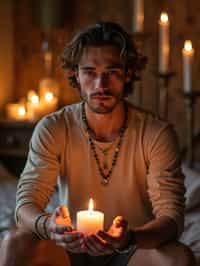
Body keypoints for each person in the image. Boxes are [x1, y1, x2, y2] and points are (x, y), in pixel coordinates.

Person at [0, 21, 195, 266]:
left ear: (128, 74)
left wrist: (129, 237)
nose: (100, 85)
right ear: (76, 75)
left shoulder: (156, 133)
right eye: (90, 72)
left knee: (179, 258)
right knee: (14, 243)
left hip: (132, 250)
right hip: (69, 250)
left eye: (111, 72)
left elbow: (171, 218)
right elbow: (25, 204)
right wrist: (49, 226)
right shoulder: (54, 128)